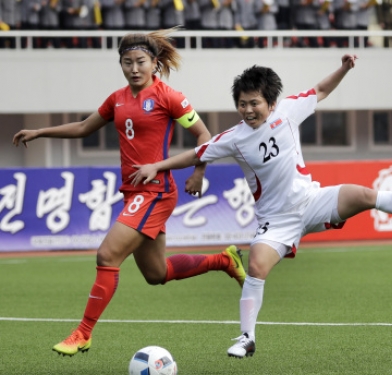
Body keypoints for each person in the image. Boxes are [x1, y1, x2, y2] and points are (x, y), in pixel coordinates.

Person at [129, 54, 392, 359]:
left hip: (312, 200)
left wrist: (343, 68)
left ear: (271, 103)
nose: (247, 110)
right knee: (257, 266)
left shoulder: (289, 110)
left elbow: (321, 90)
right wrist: (158, 167)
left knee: (364, 196)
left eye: (254, 102)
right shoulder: (234, 137)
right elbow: (196, 154)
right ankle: (247, 337)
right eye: (241, 104)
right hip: (276, 220)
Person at [12, 28, 247, 357]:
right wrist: (40, 131)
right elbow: (83, 127)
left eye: (140, 62)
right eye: (127, 62)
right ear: (120, 64)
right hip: (132, 193)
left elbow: (204, 134)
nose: (133, 68)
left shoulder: (170, 97)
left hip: (156, 192)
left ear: (154, 63)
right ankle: (223, 260)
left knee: (107, 256)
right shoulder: (117, 99)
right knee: (156, 273)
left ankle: (82, 333)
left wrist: (198, 171)